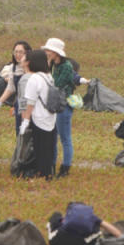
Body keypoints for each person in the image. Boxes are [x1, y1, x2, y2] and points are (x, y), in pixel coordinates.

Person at [20, 50, 56, 180]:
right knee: (48, 148)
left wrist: (25, 121)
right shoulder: (48, 76)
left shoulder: (34, 78)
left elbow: (30, 102)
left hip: (38, 117)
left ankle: (43, 176)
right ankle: (48, 173)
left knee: (40, 149)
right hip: (50, 118)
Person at [43, 37, 76, 178]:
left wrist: (48, 66)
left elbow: (56, 84)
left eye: (49, 50)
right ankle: (52, 165)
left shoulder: (66, 67)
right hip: (55, 104)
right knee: (53, 136)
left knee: (65, 138)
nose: (47, 52)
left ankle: (65, 168)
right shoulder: (55, 65)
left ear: (56, 53)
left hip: (63, 105)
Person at [47, 202, 122, 245]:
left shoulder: (66, 217)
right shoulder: (92, 217)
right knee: (97, 232)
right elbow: (110, 228)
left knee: (56, 217)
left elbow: (55, 224)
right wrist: (123, 238)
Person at [0, 40, 32, 130]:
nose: (17, 54)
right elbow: (11, 87)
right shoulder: (13, 67)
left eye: (21, 52)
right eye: (16, 52)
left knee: (29, 132)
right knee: (20, 132)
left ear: (27, 53)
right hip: (19, 103)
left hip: (31, 105)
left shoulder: (33, 68)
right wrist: (0, 101)